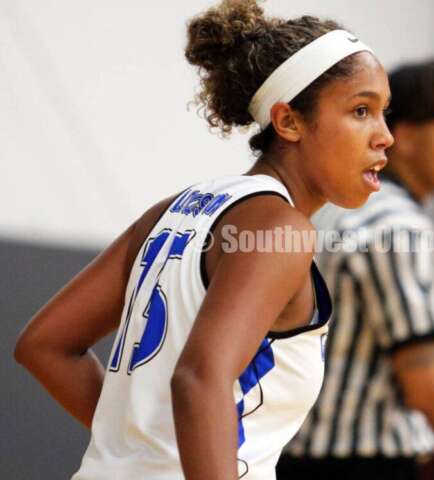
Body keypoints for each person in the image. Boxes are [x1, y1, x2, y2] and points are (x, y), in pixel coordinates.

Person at [12, 1, 393, 479]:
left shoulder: (173, 208)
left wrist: (140, 448)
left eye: (383, 112)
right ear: (288, 121)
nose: (385, 136)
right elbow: (199, 379)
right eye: (361, 110)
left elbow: (44, 344)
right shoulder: (282, 231)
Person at [277, 61, 434, 480]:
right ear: (407, 138)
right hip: (358, 465)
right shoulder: (398, 227)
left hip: (291, 454)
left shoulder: (333, 208)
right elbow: (432, 389)